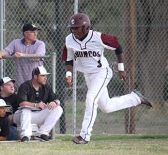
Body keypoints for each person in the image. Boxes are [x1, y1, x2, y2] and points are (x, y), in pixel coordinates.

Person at [64, 13, 152, 144]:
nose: (74, 30)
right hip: (88, 75)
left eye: (77, 27)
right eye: (72, 27)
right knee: (106, 107)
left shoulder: (98, 37)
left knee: (90, 99)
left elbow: (117, 46)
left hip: (101, 72)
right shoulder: (69, 39)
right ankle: (135, 98)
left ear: (86, 27)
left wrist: (121, 68)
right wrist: (69, 75)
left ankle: (84, 136)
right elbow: (68, 59)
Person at [13, 66, 63, 142]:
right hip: (20, 116)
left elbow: (57, 100)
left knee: (58, 109)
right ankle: (25, 136)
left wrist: (54, 102)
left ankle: (42, 133)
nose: (45, 78)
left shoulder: (46, 87)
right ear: (35, 76)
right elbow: (22, 103)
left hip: (37, 115)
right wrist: (36, 105)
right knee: (25, 109)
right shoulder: (25, 86)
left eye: (46, 76)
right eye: (43, 76)